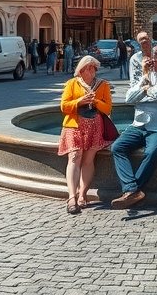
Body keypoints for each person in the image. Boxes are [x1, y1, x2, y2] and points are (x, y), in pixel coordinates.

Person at [109, 46, 157, 209]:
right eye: (149, 61)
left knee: (151, 152)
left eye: (154, 61)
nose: (151, 64)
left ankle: (131, 192)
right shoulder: (146, 75)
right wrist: (146, 81)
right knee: (117, 147)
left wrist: (145, 92)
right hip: (139, 125)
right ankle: (132, 190)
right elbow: (129, 98)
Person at [58, 55, 114, 214]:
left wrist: (96, 101)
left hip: (95, 127)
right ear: (80, 70)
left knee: (88, 160)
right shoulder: (71, 84)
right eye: (88, 68)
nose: (91, 71)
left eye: (93, 68)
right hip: (74, 126)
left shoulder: (103, 85)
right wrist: (80, 101)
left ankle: (82, 194)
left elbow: (108, 109)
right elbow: (64, 106)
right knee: (74, 156)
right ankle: (71, 197)